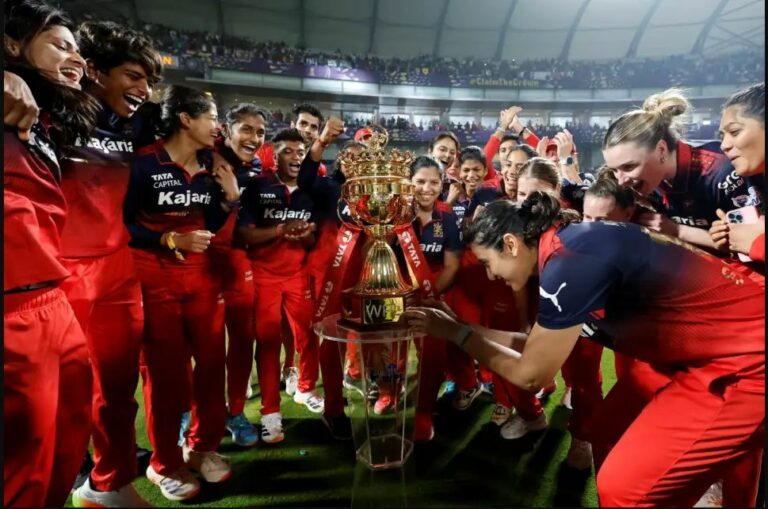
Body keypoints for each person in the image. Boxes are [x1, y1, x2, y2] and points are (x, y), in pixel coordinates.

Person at [404, 192, 764, 507]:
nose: (490, 276)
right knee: (606, 435)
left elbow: (531, 374)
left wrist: (457, 334)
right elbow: (537, 348)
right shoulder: (565, 247)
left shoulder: (567, 262)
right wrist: (461, 328)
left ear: (511, 244)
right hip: (705, 353)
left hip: (743, 360)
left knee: (624, 490)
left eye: (487, 263)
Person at [124, 85, 240, 501]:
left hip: (203, 279)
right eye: (212, 117)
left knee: (211, 366)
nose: (217, 126)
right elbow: (123, 224)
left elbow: (209, 222)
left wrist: (230, 200)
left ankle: (202, 447)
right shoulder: (143, 163)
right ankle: (164, 463)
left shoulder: (212, 167)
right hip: (156, 279)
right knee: (166, 375)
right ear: (186, 119)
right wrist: (169, 240)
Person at [4, 1, 98, 505]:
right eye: (61, 45)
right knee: (22, 471)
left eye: (77, 50)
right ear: (13, 44)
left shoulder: (43, 122)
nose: (76, 58)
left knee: (63, 452)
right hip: (11, 310)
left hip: (52, 302)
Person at [237, 127, 323, 444]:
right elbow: (243, 234)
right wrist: (280, 230)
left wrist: (305, 235)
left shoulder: (311, 190)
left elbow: (312, 239)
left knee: (308, 336)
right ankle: (270, 414)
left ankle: (306, 388)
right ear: (274, 156)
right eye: (288, 151)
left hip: (298, 275)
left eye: (301, 152)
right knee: (269, 344)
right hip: (264, 276)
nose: (296, 157)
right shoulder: (258, 186)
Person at [602, 87, 763, 250]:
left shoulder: (724, 172)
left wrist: (677, 230)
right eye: (615, 170)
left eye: (629, 166)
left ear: (661, 150)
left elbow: (747, 246)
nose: (621, 181)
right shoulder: (644, 183)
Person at [210, 103, 268, 448]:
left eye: (260, 132)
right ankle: (198, 411)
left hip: (237, 260)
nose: (254, 138)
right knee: (204, 344)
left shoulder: (256, 167)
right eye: (246, 129)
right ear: (225, 130)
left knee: (243, 340)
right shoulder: (204, 156)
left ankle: (235, 412)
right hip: (199, 259)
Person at [709, 82, 765, 263]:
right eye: (722, 136)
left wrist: (758, 243)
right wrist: (735, 241)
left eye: (734, 132)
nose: (724, 145)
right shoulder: (751, 180)